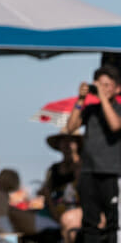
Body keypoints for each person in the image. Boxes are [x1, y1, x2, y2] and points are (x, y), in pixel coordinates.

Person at [66, 64, 121, 243]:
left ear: (117, 88)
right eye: (100, 84)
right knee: (90, 222)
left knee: (114, 222)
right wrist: (81, 100)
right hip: (89, 172)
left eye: (107, 85)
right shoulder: (90, 111)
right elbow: (71, 127)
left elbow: (115, 125)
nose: (102, 89)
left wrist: (102, 98)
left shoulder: (118, 110)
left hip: (112, 173)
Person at [3, 134, 82, 242]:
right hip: (51, 214)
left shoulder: (83, 168)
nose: (67, 145)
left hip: (67, 217)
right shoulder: (53, 169)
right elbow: (46, 193)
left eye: (70, 141)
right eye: (63, 141)